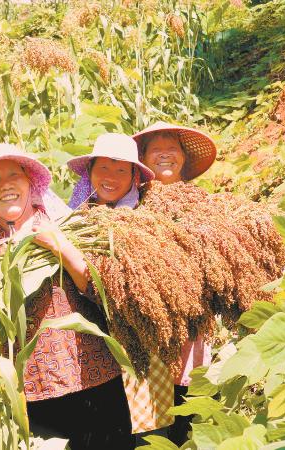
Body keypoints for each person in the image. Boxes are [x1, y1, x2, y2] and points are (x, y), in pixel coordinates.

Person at [0, 143, 134, 450]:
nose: (5, 185)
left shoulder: (66, 225)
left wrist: (60, 247)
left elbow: (104, 291)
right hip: (29, 390)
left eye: (13, 175)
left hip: (93, 376)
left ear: (30, 182)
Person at [67, 133, 175, 446]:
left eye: (121, 170)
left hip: (140, 346)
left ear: (133, 177)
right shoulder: (73, 219)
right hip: (90, 348)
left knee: (147, 434)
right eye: (104, 168)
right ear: (90, 171)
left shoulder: (144, 219)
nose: (111, 177)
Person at [132, 121, 218, 446]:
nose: (165, 154)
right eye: (156, 149)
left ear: (183, 157)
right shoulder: (133, 204)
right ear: (143, 159)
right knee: (151, 424)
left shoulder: (202, 202)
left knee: (188, 415)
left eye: (172, 148)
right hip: (147, 331)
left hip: (193, 326)